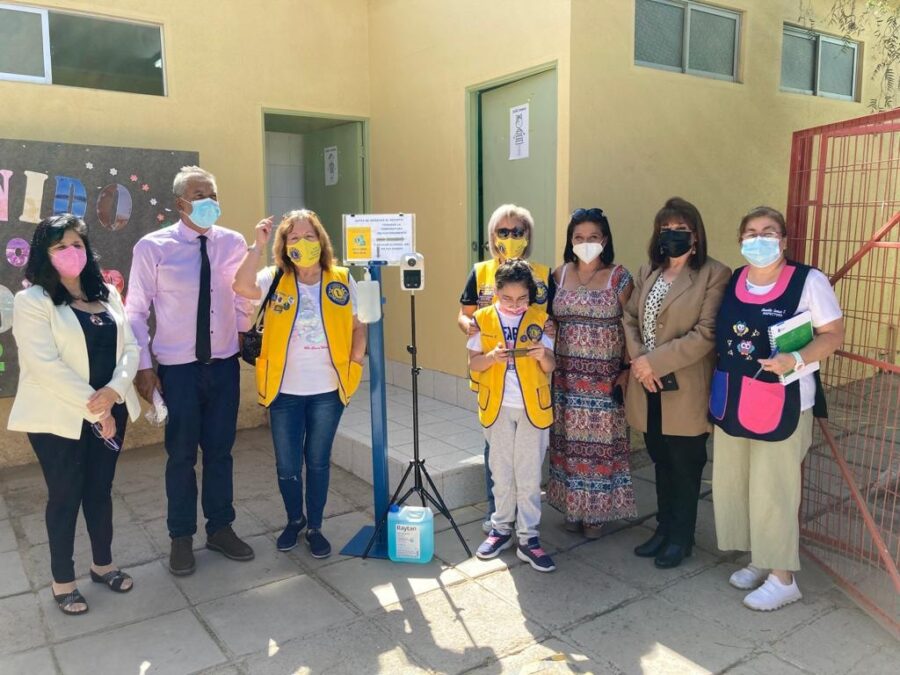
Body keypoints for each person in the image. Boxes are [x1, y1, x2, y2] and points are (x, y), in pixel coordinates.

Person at [711, 206, 843, 611]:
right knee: (739, 482)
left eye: (769, 232)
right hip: (734, 397)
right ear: (740, 241)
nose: (759, 239)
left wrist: (797, 359)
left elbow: (832, 333)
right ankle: (760, 559)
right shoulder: (736, 279)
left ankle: (784, 578)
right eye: (751, 232)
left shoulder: (808, 281)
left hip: (782, 402)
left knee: (774, 488)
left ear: (784, 240)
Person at [8, 214, 141, 615]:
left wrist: (115, 392)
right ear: (44, 254)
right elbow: (45, 365)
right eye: (60, 246)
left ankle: (103, 565)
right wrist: (96, 408)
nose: (71, 252)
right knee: (66, 495)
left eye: (77, 244)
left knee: (100, 491)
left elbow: (130, 349)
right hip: (58, 419)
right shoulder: (31, 301)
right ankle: (62, 580)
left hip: (111, 411)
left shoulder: (108, 294)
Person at [126, 166, 256, 576]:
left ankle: (220, 528)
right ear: (180, 203)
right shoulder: (153, 247)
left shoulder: (233, 243)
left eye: (213, 193)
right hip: (178, 370)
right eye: (199, 194)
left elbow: (240, 299)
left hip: (223, 367)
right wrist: (144, 368)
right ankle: (180, 537)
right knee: (180, 456)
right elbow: (135, 312)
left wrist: (246, 333)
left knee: (220, 452)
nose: (208, 201)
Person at [233, 210, 366, 558]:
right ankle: (294, 520)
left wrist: (356, 360)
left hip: (328, 390)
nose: (303, 244)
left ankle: (315, 526)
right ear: (284, 245)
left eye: (310, 237)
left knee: (318, 462)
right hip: (284, 392)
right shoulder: (274, 278)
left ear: (321, 240)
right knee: (288, 465)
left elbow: (357, 325)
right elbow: (240, 286)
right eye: (294, 238)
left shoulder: (340, 279)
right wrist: (257, 245)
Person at [623, 197, 730, 569]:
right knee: (660, 461)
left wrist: (653, 361)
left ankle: (682, 537)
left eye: (681, 230)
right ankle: (663, 528)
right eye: (665, 229)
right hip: (648, 386)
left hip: (685, 388)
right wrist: (640, 362)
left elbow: (706, 333)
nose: (672, 236)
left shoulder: (714, 273)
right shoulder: (648, 271)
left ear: (696, 235)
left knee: (685, 466)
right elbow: (630, 317)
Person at [457, 204, 555, 533]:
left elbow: (549, 316)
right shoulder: (481, 271)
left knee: (525, 458)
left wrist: (550, 330)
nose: (510, 238)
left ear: (527, 236)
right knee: (495, 451)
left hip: (530, 378)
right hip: (490, 371)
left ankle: (524, 520)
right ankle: (498, 516)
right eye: (503, 231)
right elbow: (464, 313)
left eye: (517, 232)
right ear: (492, 236)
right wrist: (469, 326)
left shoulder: (542, 273)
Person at [548, 208, 636, 537]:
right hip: (566, 378)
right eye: (579, 237)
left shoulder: (620, 277)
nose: (586, 243)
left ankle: (596, 514)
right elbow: (550, 322)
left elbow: (631, 326)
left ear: (605, 240)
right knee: (568, 445)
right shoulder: (558, 275)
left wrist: (626, 370)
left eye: (593, 237)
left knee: (599, 447)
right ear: (571, 241)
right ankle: (573, 507)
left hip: (604, 381)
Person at [468, 259, 557, 572]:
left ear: (530, 296)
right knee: (501, 471)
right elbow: (473, 364)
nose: (515, 305)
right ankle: (501, 528)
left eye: (521, 299)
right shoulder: (483, 320)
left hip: (532, 408)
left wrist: (543, 354)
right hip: (498, 407)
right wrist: (491, 357)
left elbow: (550, 366)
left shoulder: (540, 319)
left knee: (529, 473)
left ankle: (529, 537)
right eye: (507, 299)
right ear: (496, 294)